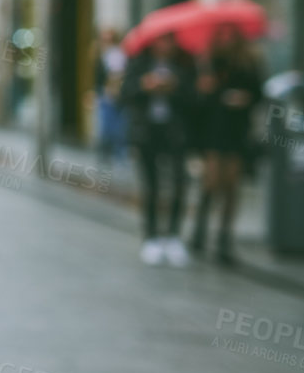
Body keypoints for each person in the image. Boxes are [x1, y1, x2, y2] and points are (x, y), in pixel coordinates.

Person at [120, 31, 199, 267]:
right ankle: (151, 236)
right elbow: (125, 94)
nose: (166, 45)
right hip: (147, 132)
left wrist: (173, 88)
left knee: (178, 183)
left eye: (170, 40)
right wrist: (145, 86)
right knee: (151, 185)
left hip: (174, 133)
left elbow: (194, 99)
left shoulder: (184, 65)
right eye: (161, 40)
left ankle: (173, 236)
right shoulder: (139, 64)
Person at [191, 24, 263, 264]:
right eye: (221, 33)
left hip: (237, 131)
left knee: (232, 185)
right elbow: (197, 103)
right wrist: (205, 90)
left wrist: (245, 99)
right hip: (212, 130)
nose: (226, 38)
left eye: (230, 33)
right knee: (212, 181)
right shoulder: (207, 63)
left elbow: (258, 94)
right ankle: (199, 232)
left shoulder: (249, 63)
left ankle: (224, 238)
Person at [92, 27, 129, 163]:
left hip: (112, 95)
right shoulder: (102, 53)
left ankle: (118, 154)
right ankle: (109, 153)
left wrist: (112, 90)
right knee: (107, 126)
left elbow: (116, 74)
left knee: (114, 126)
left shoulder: (115, 54)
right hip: (104, 94)